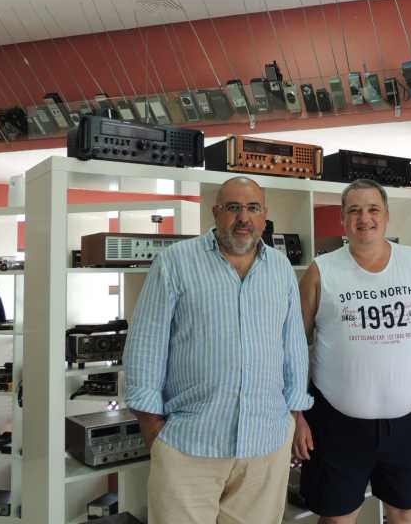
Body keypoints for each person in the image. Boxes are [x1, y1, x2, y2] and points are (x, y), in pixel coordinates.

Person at [123, 176, 312, 524]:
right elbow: (145, 346)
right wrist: (152, 429)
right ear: (216, 212)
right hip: (190, 444)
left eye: (253, 208)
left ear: (265, 215)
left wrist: (295, 414)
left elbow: (293, 346)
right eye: (233, 208)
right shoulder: (175, 262)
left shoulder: (281, 268)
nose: (244, 218)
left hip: (266, 445)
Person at [294, 179, 411, 524]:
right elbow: (293, 345)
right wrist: (297, 415)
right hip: (336, 425)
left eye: (373, 209)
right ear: (342, 219)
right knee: (337, 518)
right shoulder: (321, 270)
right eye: (354, 210)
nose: (364, 218)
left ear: (386, 215)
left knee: (407, 513)